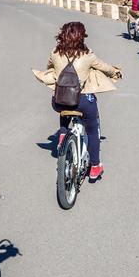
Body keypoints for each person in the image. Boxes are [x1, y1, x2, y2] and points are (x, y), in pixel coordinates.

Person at [33, 22, 122, 180]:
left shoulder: (55, 52)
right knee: (92, 130)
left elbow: (49, 66)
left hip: (59, 100)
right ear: (82, 36)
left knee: (63, 105)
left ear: (63, 34)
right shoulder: (87, 55)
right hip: (82, 101)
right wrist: (115, 72)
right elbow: (105, 68)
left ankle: (63, 132)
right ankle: (95, 166)